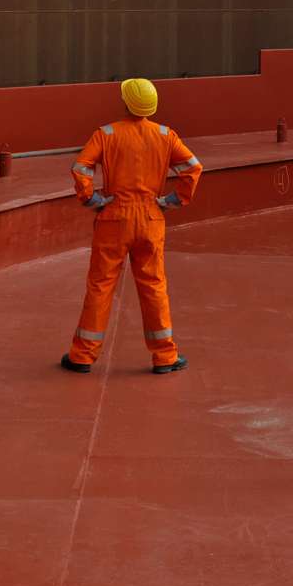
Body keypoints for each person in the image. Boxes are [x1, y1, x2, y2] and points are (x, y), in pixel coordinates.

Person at [59, 78, 202, 375]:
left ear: (126, 102)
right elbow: (193, 168)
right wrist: (174, 200)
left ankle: (82, 356)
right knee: (154, 286)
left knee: (101, 286)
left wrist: (91, 199)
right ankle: (165, 356)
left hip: (114, 217)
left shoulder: (107, 134)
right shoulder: (165, 135)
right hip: (151, 218)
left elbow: (80, 168)